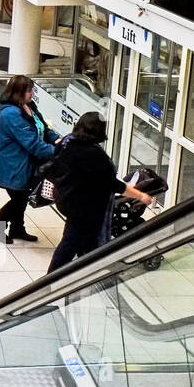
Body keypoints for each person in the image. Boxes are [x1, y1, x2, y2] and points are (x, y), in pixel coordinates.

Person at [45, 112, 152, 272]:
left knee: (80, 239)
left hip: (64, 197)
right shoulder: (94, 155)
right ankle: (52, 279)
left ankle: (85, 271)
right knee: (71, 242)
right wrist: (141, 195)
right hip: (83, 208)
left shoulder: (68, 141)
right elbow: (113, 184)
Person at [0, 74, 59, 244]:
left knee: (21, 197)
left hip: (25, 164)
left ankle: (17, 229)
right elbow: (32, 143)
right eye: (29, 91)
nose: (32, 94)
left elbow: (42, 127)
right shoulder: (11, 114)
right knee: (19, 198)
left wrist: (56, 139)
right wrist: (57, 152)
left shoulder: (29, 106)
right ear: (17, 92)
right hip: (13, 165)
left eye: (32, 90)